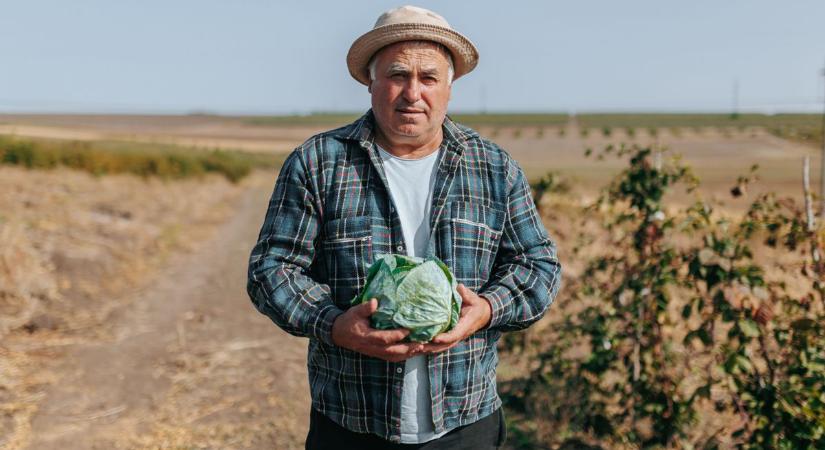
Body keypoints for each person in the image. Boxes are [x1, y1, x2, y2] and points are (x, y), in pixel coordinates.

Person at [247, 5, 562, 449]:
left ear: (449, 89)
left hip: (465, 423)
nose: (412, 93)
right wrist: (334, 324)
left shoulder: (493, 168)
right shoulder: (319, 163)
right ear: (370, 82)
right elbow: (270, 269)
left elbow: (539, 266)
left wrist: (486, 310)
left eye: (429, 78)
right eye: (397, 75)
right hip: (351, 422)